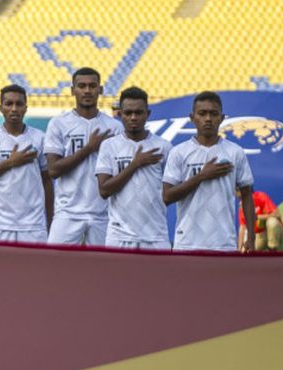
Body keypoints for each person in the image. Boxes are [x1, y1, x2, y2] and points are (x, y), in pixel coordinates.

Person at [163, 91, 256, 252]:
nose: (208, 119)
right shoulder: (179, 152)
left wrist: (251, 238)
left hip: (223, 242)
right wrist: (201, 176)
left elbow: (247, 195)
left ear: (222, 118)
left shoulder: (235, 152)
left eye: (213, 114)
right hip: (187, 243)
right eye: (202, 113)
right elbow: (167, 197)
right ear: (192, 118)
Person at [45, 67, 123, 245]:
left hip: (104, 213)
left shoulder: (114, 127)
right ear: (73, 90)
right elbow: (53, 170)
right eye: (81, 86)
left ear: (100, 89)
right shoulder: (59, 124)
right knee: (56, 267)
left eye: (92, 86)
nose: (87, 90)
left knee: (103, 269)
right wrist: (89, 148)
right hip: (67, 213)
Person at [0, 84, 53, 243]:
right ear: (1, 107)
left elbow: (47, 182)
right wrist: (10, 162)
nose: (14, 109)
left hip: (33, 225)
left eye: (19, 104)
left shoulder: (40, 138)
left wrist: (49, 220)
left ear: (26, 108)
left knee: (33, 268)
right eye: (9, 104)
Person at [95, 86, 172, 249]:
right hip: (118, 237)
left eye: (138, 112)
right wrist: (135, 164)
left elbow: (171, 193)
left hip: (156, 236)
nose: (133, 117)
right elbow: (104, 190)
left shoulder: (164, 147)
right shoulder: (109, 146)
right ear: (119, 114)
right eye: (128, 113)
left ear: (148, 114)